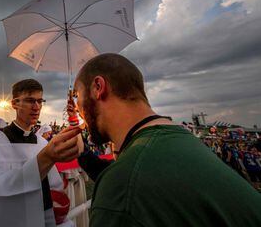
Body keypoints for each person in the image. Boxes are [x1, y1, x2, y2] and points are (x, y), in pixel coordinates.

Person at [72, 53, 261, 226]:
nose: (78, 107)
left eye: (77, 96)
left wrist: (115, 182)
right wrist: (84, 155)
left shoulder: (123, 187)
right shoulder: (183, 140)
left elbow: (130, 186)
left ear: (98, 87)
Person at [0, 79, 81, 227]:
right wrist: (45, 158)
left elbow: (53, 190)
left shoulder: (42, 143)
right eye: (30, 101)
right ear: (14, 104)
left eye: (40, 101)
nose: (36, 107)